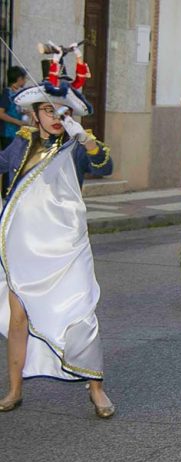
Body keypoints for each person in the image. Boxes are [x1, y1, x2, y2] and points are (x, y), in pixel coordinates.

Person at [0, 78, 115, 417]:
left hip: (67, 243)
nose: (55, 116)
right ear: (35, 115)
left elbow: (105, 166)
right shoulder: (22, 143)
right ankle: (14, 389)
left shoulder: (77, 143)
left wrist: (88, 141)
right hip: (25, 243)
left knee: (81, 313)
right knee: (19, 316)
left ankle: (96, 389)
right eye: (48, 110)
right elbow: (4, 166)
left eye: (61, 111)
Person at [0, 66, 28, 199]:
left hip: (17, 133)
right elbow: (1, 113)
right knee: (8, 161)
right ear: (19, 78)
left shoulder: (18, 93)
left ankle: (12, 189)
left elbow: (16, 109)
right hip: (8, 132)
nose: (26, 80)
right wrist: (17, 122)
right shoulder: (7, 93)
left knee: (17, 161)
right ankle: (6, 190)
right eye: (24, 78)